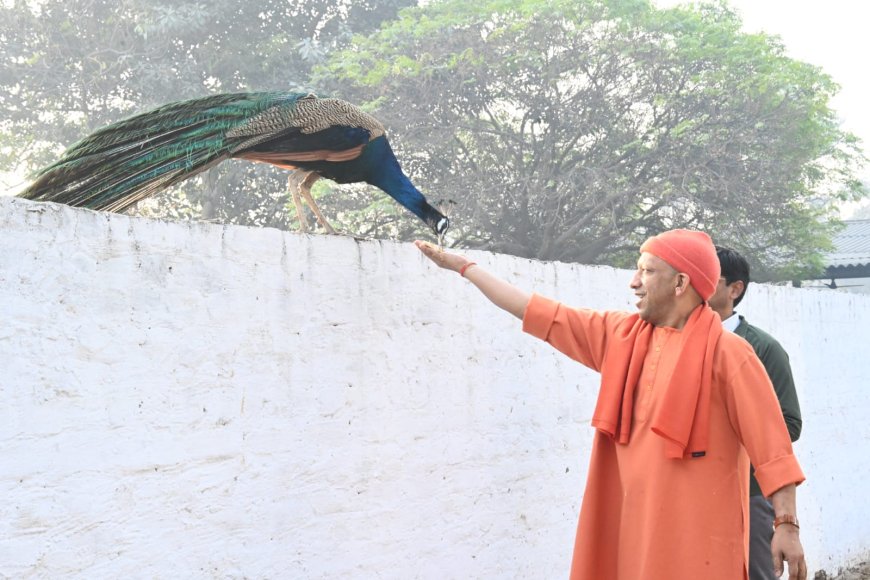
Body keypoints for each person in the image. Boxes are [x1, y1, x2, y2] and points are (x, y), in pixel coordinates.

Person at [415, 229, 807, 580]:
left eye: (648, 271)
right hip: (629, 527)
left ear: (681, 282)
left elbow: (772, 447)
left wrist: (786, 525)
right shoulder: (620, 336)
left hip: (698, 535)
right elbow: (536, 311)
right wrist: (466, 268)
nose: (634, 282)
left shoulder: (730, 353)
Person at [709, 245, 803, 580]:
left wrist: (730, 427)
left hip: (749, 492)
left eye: (711, 279)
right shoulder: (679, 343)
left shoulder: (763, 348)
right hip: (697, 491)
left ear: (735, 289)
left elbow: (790, 425)